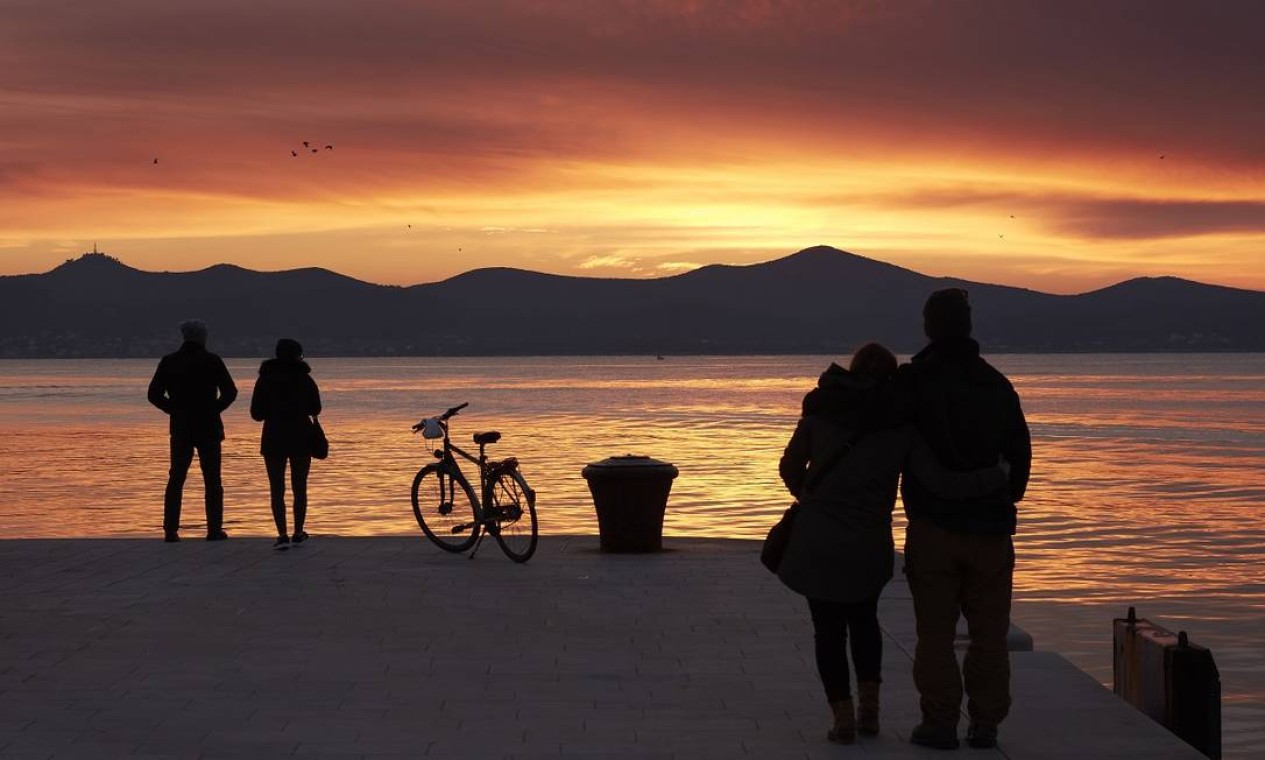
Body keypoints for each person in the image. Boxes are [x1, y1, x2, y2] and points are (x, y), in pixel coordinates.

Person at [778, 342, 1010, 745]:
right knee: (865, 623)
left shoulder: (820, 415)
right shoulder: (900, 430)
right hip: (869, 542)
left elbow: (788, 466)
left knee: (827, 631)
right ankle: (871, 712)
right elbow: (940, 482)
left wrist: (810, 499)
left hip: (819, 540)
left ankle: (843, 718)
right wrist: (996, 476)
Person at [897, 288, 1032, 750]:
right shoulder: (997, 385)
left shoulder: (912, 382)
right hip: (990, 531)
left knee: (934, 635)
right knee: (989, 636)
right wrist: (998, 494)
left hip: (932, 528)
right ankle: (985, 724)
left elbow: (889, 441)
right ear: (968, 325)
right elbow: (1020, 461)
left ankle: (939, 723)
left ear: (930, 326)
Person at [147, 319, 238, 542]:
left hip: (181, 427)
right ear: (202, 337)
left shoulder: (169, 362)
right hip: (208, 427)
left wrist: (174, 410)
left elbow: (153, 394)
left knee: (176, 478)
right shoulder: (212, 361)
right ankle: (214, 529)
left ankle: (170, 530)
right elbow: (230, 392)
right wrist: (214, 409)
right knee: (213, 480)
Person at [250, 338, 322, 551]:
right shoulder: (305, 378)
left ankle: (281, 534)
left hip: (273, 436)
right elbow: (316, 409)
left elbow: (256, 414)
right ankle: (298, 532)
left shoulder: (265, 379)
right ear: (298, 355)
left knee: (276, 488)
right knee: (300, 487)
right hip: (301, 436)